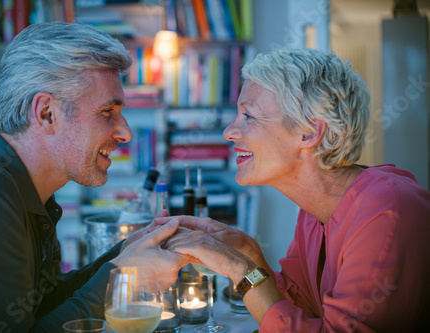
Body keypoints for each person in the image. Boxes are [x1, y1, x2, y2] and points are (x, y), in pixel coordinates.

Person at [0, 22, 188, 333]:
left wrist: (126, 253)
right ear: (46, 114)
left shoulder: (21, 189)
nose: (125, 131)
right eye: (108, 111)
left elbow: (43, 306)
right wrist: (122, 276)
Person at [160, 48, 430, 332]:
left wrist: (238, 269)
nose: (229, 131)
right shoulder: (314, 211)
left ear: (309, 133)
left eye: (248, 116)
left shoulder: (386, 210)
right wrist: (247, 252)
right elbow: (301, 310)